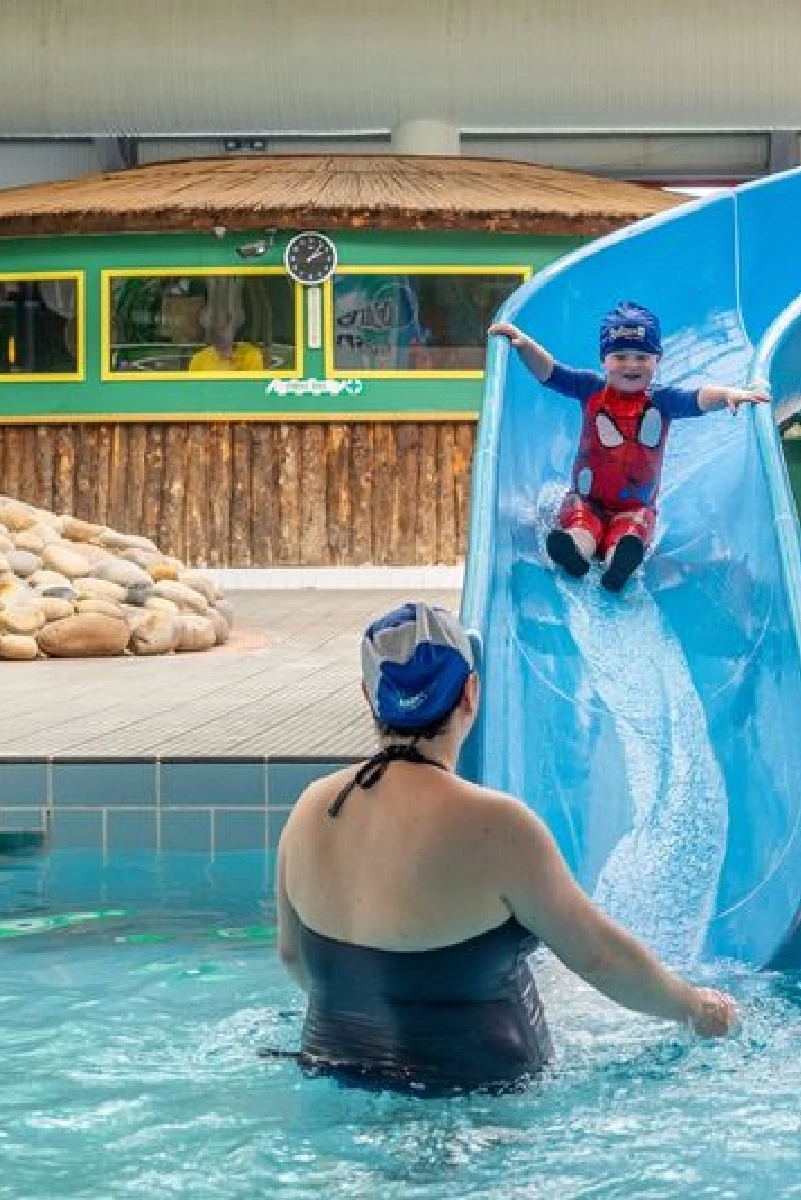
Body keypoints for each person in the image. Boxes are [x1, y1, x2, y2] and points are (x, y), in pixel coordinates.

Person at [275, 601, 737, 1095]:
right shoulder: (499, 827)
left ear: (370, 696)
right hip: (483, 1106)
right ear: (471, 693)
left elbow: (292, 957)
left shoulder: (311, 810)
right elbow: (601, 960)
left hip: (335, 1075)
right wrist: (695, 1007)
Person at [489, 302, 770, 592]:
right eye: (620, 356)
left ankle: (618, 565)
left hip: (635, 506)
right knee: (582, 525)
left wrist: (726, 394)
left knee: (629, 534)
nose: (631, 364)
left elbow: (698, 398)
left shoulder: (662, 401)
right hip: (587, 499)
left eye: (641, 356)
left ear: (657, 359)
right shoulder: (590, 389)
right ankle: (574, 552)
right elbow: (551, 372)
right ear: (604, 359)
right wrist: (523, 346)